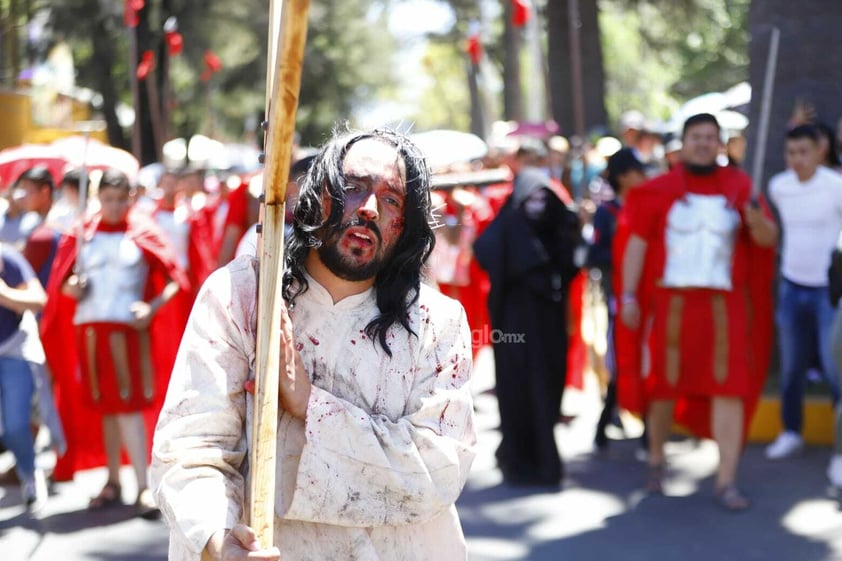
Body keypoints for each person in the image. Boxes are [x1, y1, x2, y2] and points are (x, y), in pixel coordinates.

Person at [151, 128, 476, 560]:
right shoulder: (242, 296)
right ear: (316, 195)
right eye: (353, 188)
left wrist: (309, 403)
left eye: (391, 199)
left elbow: (436, 471)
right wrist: (217, 539)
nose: (369, 209)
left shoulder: (437, 323)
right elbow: (192, 448)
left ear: (407, 225)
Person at [619, 113, 777, 510]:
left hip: (725, 306)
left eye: (711, 137)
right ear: (684, 142)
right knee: (663, 385)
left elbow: (767, 238)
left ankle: (727, 480)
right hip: (673, 304)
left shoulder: (741, 186)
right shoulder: (658, 189)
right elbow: (636, 243)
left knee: (730, 387)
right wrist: (628, 296)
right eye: (697, 137)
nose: (704, 143)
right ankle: (656, 460)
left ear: (720, 144)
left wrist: (758, 224)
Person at [40, 169, 187, 517]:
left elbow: (174, 279)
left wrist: (150, 308)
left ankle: (143, 485)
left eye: (121, 199)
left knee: (128, 405)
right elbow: (62, 281)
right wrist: (69, 287)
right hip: (91, 331)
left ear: (131, 198)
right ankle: (113, 480)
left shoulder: (143, 232)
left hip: (127, 330)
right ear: (98, 198)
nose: (115, 206)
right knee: (104, 406)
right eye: (108, 199)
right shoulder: (81, 234)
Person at [474, 167, 582, 486]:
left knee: (548, 384)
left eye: (542, 197)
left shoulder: (554, 225)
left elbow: (572, 257)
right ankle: (520, 459)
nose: (537, 204)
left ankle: (543, 459)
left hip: (548, 323)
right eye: (530, 198)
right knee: (517, 389)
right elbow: (486, 253)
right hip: (514, 327)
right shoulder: (507, 226)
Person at [765, 125, 842, 476]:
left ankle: (840, 448)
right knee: (792, 366)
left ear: (820, 151)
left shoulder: (836, 186)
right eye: (791, 152)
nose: (797, 160)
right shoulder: (779, 187)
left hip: (828, 290)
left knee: (834, 368)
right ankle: (791, 431)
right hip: (791, 285)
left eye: (803, 152)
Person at [588, 148, 647, 449]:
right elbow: (595, 255)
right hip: (618, 297)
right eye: (638, 171)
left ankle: (648, 427)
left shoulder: (650, 205)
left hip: (649, 297)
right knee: (619, 358)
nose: (644, 176)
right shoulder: (607, 212)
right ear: (624, 177)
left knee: (648, 358)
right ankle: (606, 419)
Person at [0, 242, 49, 509]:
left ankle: (29, 473)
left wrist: (5, 293)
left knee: (16, 426)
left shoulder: (8, 259)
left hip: (12, 352)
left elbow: (39, 300)